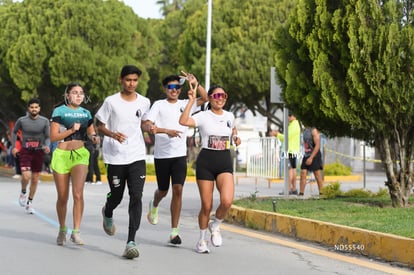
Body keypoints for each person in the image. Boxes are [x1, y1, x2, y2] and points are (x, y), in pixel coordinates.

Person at [144, 72, 208, 245]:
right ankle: (155, 204)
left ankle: (174, 232)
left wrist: (195, 82)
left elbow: (206, 98)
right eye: (171, 87)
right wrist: (164, 130)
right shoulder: (158, 105)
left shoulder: (186, 104)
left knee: (178, 189)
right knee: (163, 191)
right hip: (162, 156)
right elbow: (149, 125)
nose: (174, 90)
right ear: (165, 89)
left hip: (179, 156)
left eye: (177, 87)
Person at [95, 65, 150, 259]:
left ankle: (131, 242)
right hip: (115, 156)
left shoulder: (144, 101)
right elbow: (100, 125)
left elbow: (143, 121)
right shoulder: (111, 102)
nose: (131, 84)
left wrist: (149, 126)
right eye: (128, 80)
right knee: (117, 196)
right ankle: (107, 211)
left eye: (135, 80)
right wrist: (112, 134)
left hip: (136, 155)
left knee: (136, 195)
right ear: (121, 80)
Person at [179, 84, 241, 253]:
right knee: (206, 206)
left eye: (223, 95)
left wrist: (235, 137)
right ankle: (201, 240)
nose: (219, 99)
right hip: (206, 161)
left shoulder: (230, 115)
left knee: (227, 201)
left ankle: (216, 225)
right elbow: (183, 121)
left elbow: (232, 128)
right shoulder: (203, 116)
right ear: (211, 98)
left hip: (224, 161)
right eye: (216, 96)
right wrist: (191, 101)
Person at [50, 82, 100, 246]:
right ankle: (63, 228)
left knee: (78, 194)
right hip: (62, 155)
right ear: (67, 95)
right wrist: (71, 130)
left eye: (81, 93)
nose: (79, 95)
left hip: (80, 155)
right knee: (62, 197)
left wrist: (94, 137)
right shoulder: (59, 111)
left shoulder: (86, 113)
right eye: (74, 92)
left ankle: (76, 231)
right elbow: (53, 137)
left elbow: (91, 132)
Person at [11, 98, 51, 214]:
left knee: (34, 179)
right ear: (28, 108)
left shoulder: (44, 121)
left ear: (39, 108)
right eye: (32, 107)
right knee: (26, 176)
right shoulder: (22, 120)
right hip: (25, 151)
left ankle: (29, 203)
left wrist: (47, 145)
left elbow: (48, 136)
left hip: (39, 151)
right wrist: (14, 146)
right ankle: (23, 192)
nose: (34, 109)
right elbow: (14, 132)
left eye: (36, 107)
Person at [271, 112, 301, 195]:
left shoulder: (294, 125)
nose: (288, 117)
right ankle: (294, 188)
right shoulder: (293, 124)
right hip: (292, 150)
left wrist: (277, 134)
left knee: (290, 171)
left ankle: (288, 189)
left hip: (290, 151)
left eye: (289, 116)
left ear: (294, 116)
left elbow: (286, 137)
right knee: (293, 170)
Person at [299, 126, 324, 196]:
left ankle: (322, 193)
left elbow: (317, 146)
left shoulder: (314, 131)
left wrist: (311, 158)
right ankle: (301, 193)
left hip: (315, 155)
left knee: (317, 174)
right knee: (303, 173)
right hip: (306, 154)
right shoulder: (304, 130)